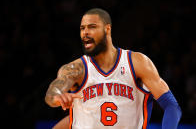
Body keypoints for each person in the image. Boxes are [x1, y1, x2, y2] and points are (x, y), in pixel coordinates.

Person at [45, 8, 182, 129]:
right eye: (82, 28)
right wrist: (58, 98)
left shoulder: (137, 63)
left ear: (107, 29)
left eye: (92, 27)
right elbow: (52, 94)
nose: (85, 32)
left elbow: (171, 106)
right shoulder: (75, 68)